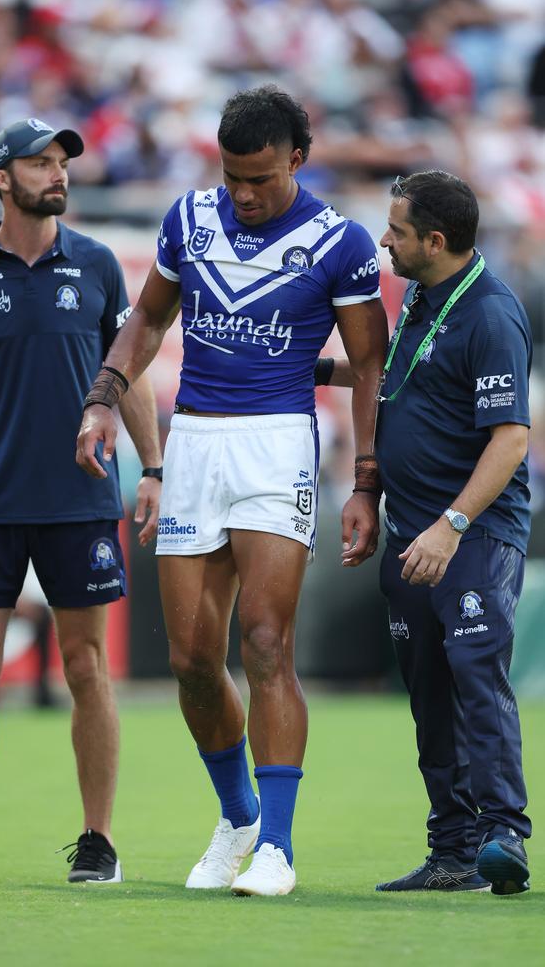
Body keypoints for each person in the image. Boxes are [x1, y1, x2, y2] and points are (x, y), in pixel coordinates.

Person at [76, 86, 389, 896]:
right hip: (194, 443)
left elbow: (369, 370)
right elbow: (147, 321)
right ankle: (239, 816)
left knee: (264, 643)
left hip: (277, 443)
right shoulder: (188, 217)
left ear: (296, 159)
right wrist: (105, 394)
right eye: (230, 177)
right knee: (189, 659)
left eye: (258, 178)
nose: (242, 194)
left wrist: (365, 481)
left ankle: (277, 850)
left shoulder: (340, 243)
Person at [0, 118, 163, 886]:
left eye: (62, 162)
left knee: (85, 666)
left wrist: (152, 467)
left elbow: (133, 373)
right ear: (0, 178)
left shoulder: (100, 264)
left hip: (80, 501)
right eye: (39, 162)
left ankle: (98, 842)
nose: (58, 173)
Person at [373, 170, 531, 893]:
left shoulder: (491, 314)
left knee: (475, 674)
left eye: (397, 232)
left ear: (436, 242)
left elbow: (510, 440)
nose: (385, 241)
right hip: (409, 533)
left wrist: (451, 524)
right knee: (428, 690)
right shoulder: (418, 298)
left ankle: (505, 836)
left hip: (470, 534)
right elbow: (404, 390)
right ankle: (452, 850)